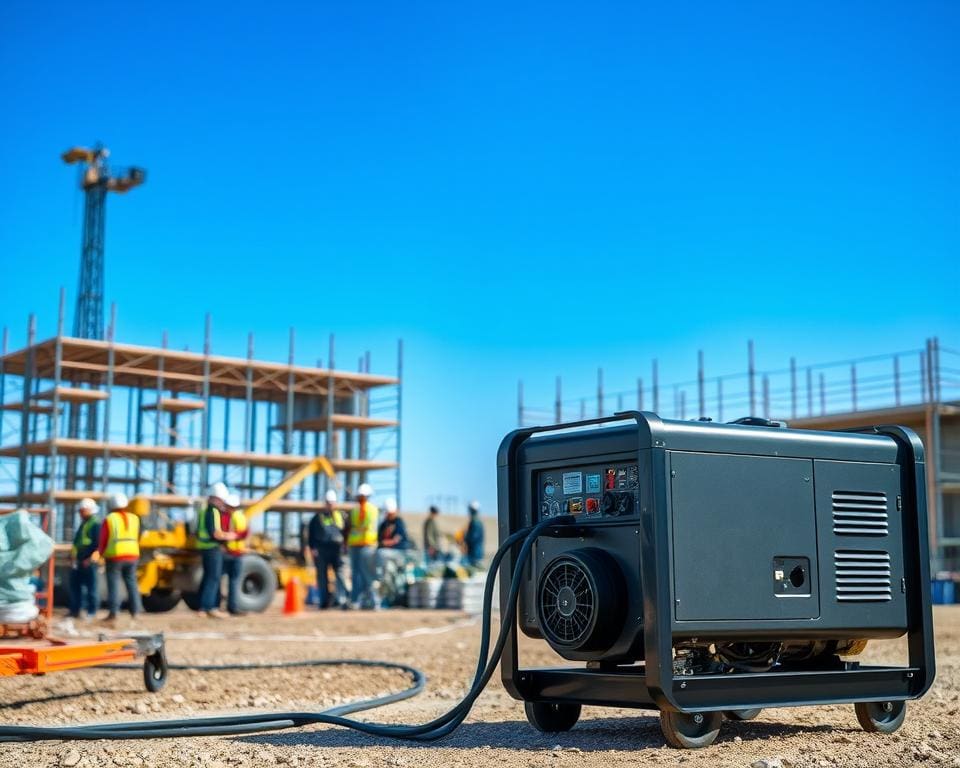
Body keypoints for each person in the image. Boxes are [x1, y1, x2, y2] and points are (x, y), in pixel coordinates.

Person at [97, 493, 142, 626]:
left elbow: (103, 539)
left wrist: (100, 553)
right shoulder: (135, 518)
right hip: (133, 555)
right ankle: (136, 612)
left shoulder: (110, 519)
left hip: (115, 556)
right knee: (132, 583)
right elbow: (137, 536)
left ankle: (114, 613)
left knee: (114, 585)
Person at [195, 481, 238, 619]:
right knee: (214, 577)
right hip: (212, 547)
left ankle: (202, 607)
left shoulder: (203, 510)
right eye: (221, 500)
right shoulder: (213, 511)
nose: (222, 503)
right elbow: (215, 533)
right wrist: (229, 536)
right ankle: (209, 607)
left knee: (208, 577)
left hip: (204, 546)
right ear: (216, 498)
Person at [307, 489, 347, 609]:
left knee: (340, 575)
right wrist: (313, 548)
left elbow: (346, 532)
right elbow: (311, 534)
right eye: (328, 503)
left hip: (337, 550)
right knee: (322, 577)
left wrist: (345, 547)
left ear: (335, 503)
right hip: (322, 549)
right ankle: (324, 602)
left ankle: (341, 600)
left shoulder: (342, 516)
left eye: (332, 503)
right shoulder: (317, 518)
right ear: (325, 503)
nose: (330, 505)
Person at [345, 483, 379, 610]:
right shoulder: (361, 510)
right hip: (360, 545)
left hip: (364, 545)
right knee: (360, 574)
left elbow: (358, 525)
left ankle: (366, 600)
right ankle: (360, 600)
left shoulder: (362, 510)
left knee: (363, 575)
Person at [68, 498, 100, 621]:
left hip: (89, 560)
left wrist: (90, 559)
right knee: (76, 586)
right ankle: (75, 610)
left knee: (91, 587)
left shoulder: (95, 523)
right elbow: (77, 542)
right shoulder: (84, 524)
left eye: (82, 511)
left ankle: (91, 612)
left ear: (89, 510)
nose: (80, 513)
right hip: (80, 559)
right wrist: (72, 556)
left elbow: (98, 544)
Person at [220, 493, 249, 616]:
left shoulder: (223, 516)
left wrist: (233, 536)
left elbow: (243, 533)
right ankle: (232, 607)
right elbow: (245, 533)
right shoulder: (240, 516)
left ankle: (226, 606)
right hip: (233, 553)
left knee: (224, 580)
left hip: (229, 552)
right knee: (232, 581)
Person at [463, 500, 484, 567]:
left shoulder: (475, 522)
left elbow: (473, 537)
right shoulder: (476, 521)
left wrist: (465, 538)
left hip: (474, 553)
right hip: (475, 552)